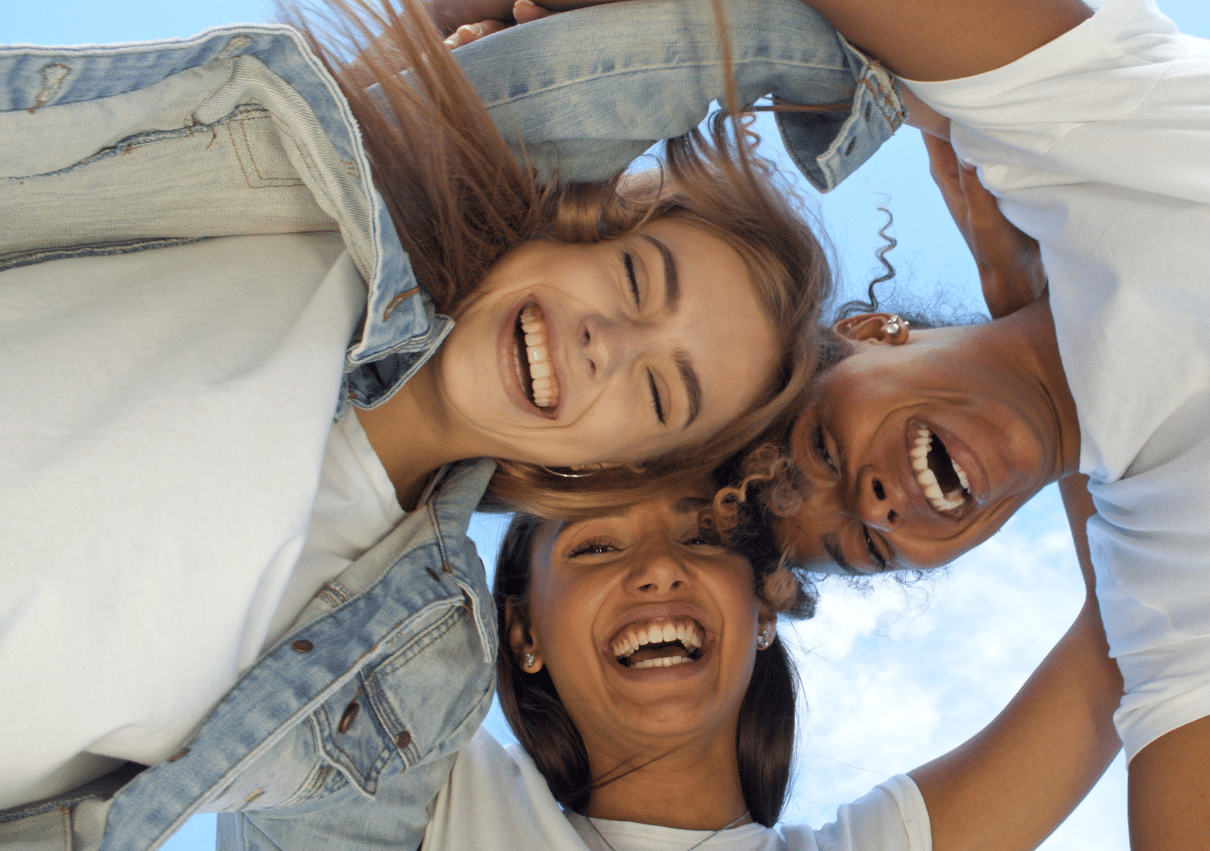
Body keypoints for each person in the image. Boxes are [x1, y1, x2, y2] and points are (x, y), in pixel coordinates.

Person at [0, 0, 846, 844]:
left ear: (610, 468)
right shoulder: (319, 209)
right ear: (578, 227)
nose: (607, 343)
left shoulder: (395, 674)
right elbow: (700, 46)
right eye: (633, 277)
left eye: (661, 394)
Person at [445, 0, 1210, 846]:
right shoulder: (1181, 597)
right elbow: (1118, 654)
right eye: (869, 545)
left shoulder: (1069, 138)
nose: (877, 502)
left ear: (869, 331)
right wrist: (1031, 325)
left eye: (821, 449)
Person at [223, 483, 1124, 851]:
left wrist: (1042, 347)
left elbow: (1124, 645)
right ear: (521, 633)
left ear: (765, 605)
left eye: (704, 535)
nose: (658, 567)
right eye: (596, 545)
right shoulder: (418, 796)